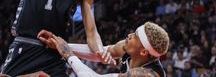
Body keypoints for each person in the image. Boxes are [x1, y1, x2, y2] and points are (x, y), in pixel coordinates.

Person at [38, 22, 170, 77]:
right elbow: (99, 53)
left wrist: (68, 53)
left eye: (135, 36)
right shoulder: (128, 48)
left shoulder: (147, 74)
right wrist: (59, 44)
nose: (130, 35)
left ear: (143, 52)